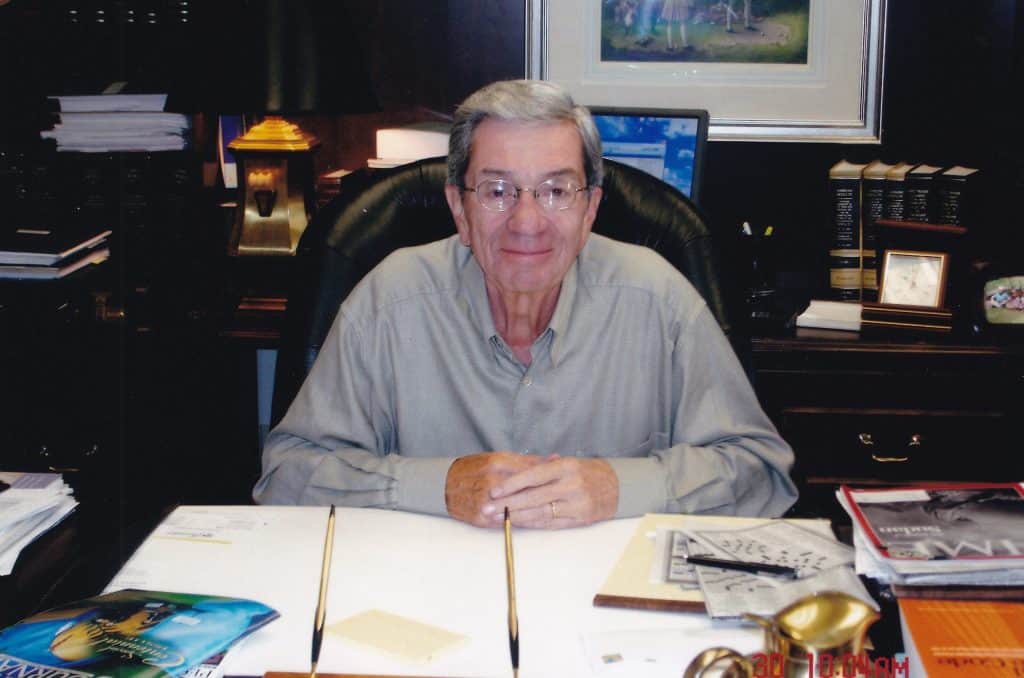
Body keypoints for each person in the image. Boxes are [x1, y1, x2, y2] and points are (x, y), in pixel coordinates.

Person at [253, 79, 797, 528]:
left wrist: (618, 485)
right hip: (426, 607)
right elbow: (287, 475)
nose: (527, 221)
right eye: (496, 190)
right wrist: (439, 485)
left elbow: (761, 472)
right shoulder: (391, 300)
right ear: (459, 211)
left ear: (590, 211)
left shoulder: (658, 298)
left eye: (557, 190)